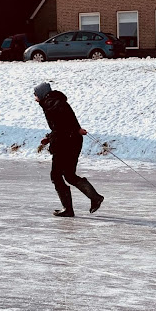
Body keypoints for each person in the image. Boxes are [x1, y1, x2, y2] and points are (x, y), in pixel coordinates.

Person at [34, 82, 104, 217]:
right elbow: (62, 125)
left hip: (67, 143)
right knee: (69, 175)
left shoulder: (53, 104)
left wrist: (74, 130)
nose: (35, 97)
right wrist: (50, 138)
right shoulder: (53, 103)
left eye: (35, 94)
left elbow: (64, 124)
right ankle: (94, 198)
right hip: (70, 140)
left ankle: (69, 208)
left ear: (42, 93)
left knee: (56, 175)